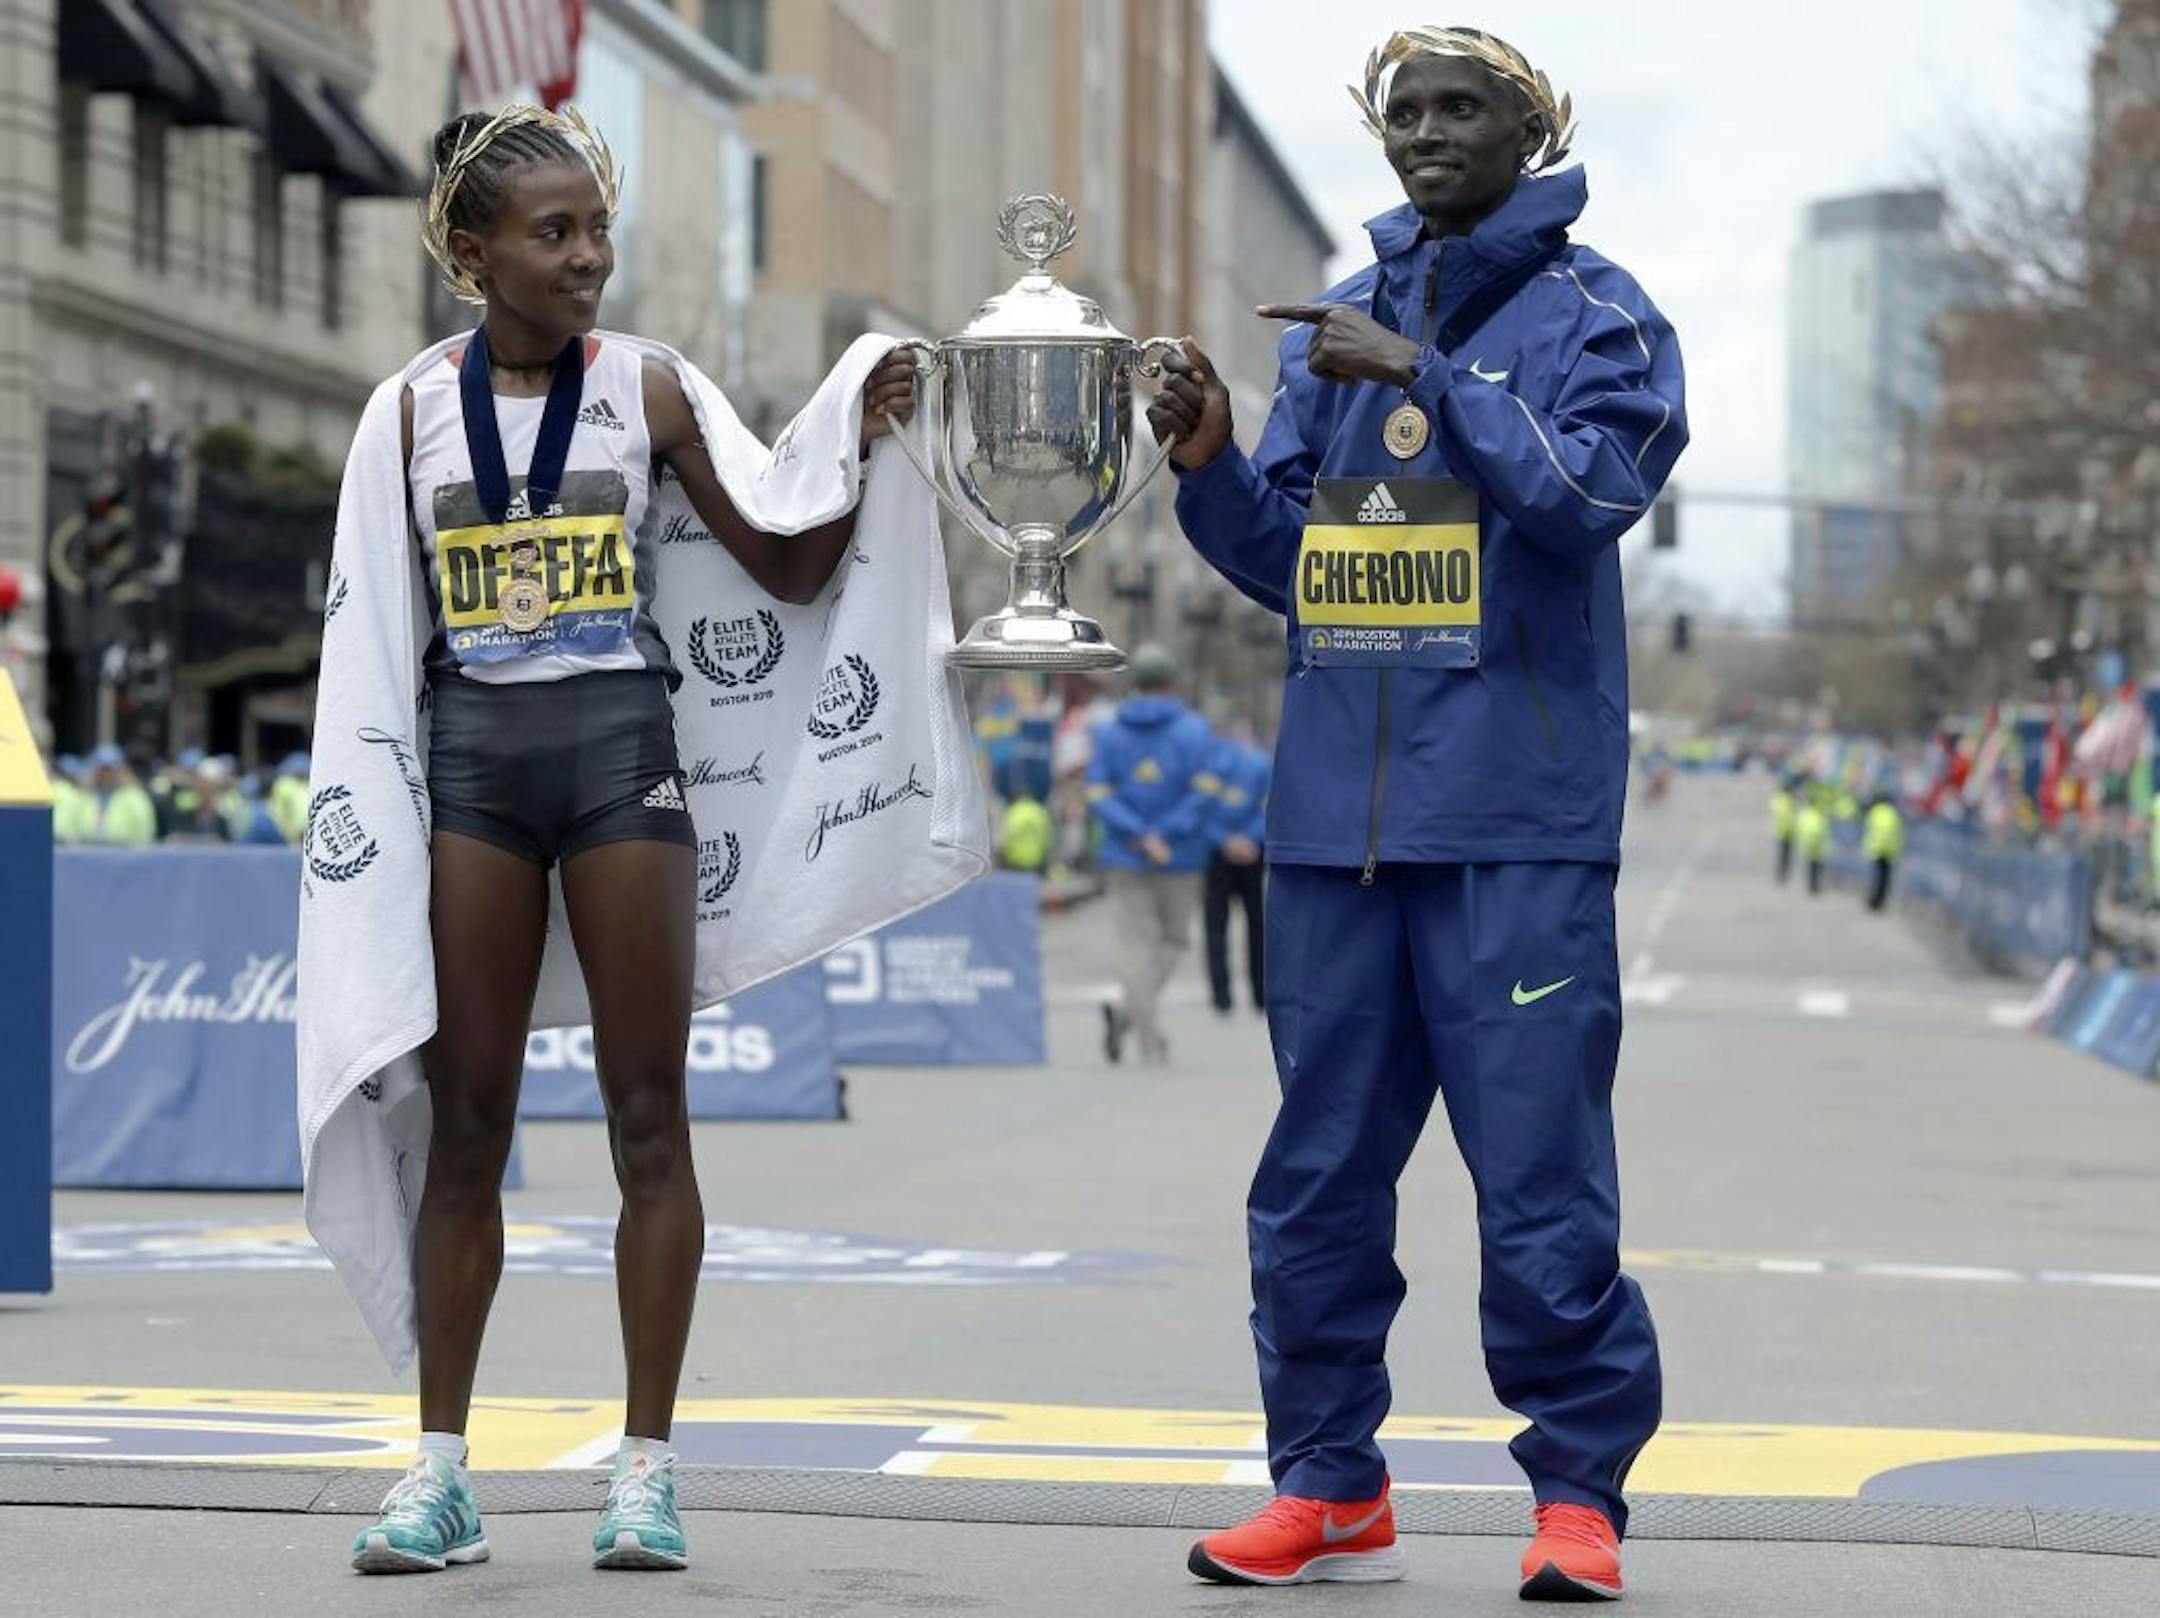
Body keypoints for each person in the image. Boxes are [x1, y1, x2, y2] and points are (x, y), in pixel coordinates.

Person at [336, 104, 918, 1578]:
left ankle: (646, 1471)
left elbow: (786, 556)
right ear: (474, 255)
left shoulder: (649, 388)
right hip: (474, 765)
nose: (590, 255)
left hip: (618, 759)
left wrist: (862, 427)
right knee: (466, 1123)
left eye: (599, 227)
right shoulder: (406, 410)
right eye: (556, 232)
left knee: (647, 1114)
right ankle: (440, 1473)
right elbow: (370, 640)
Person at [1149, 27, 1683, 1600]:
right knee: (1313, 1180)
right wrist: (1206, 466)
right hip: (1333, 830)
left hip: (1516, 829)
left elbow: (1587, 504)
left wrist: (1432, 382)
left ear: (1533, 129)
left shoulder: (1606, 318)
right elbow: (1298, 566)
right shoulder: (1346, 315)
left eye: (1463, 110)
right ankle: (1327, 1482)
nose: (1427, 134)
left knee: (1539, 1184)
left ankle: (1577, 1495)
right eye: (1406, 114)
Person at [1085, 643, 1219, 1065]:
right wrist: (1164, 834)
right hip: (1179, 856)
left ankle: (1131, 1015)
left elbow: (1098, 791)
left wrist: (1138, 834)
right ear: (1171, 681)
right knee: (1174, 941)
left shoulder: (1109, 731)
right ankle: (1148, 1035)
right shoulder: (1195, 730)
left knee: (1135, 945)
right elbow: (1205, 790)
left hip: (1125, 855)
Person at [1203, 721, 1269, 1015]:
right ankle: (1260, 993)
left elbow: (1200, 809)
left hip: (1218, 854)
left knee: (1216, 926)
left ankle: (1221, 997)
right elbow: (1270, 805)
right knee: (1258, 925)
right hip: (1253, 854)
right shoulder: (1260, 763)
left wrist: (1225, 840)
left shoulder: (1208, 765)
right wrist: (1251, 839)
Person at [77, 745, 157, 847]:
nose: (106, 774)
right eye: (102, 769)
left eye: (110, 769)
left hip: (126, 856)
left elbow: (146, 832)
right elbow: (70, 829)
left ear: (121, 770)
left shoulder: (135, 797)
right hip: (86, 854)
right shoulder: (83, 795)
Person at [1862, 791, 1904, 912]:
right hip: (1890, 851)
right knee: (1885, 879)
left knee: (1876, 877)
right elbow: (1898, 833)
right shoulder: (1893, 813)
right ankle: (1880, 901)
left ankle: (1873, 901)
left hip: (1876, 849)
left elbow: (1869, 829)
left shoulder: (1874, 812)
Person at [998, 790, 1054, 873]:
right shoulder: (1039, 811)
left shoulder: (1013, 810)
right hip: (1036, 861)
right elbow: (1047, 838)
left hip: (1013, 861)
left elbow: (1005, 837)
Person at [1795, 789, 1832, 896]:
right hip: (1815, 845)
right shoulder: (1818, 813)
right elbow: (1823, 828)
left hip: (1811, 844)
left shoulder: (1807, 813)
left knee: (1813, 867)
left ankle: (1813, 885)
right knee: (1814, 867)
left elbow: (1800, 827)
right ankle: (1813, 886)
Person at [1770, 777, 1797, 885]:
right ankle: (1782, 874)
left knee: (1785, 855)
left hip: (1786, 830)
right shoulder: (1784, 800)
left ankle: (1783, 874)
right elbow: (1785, 815)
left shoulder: (1783, 799)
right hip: (1784, 830)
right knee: (1784, 855)